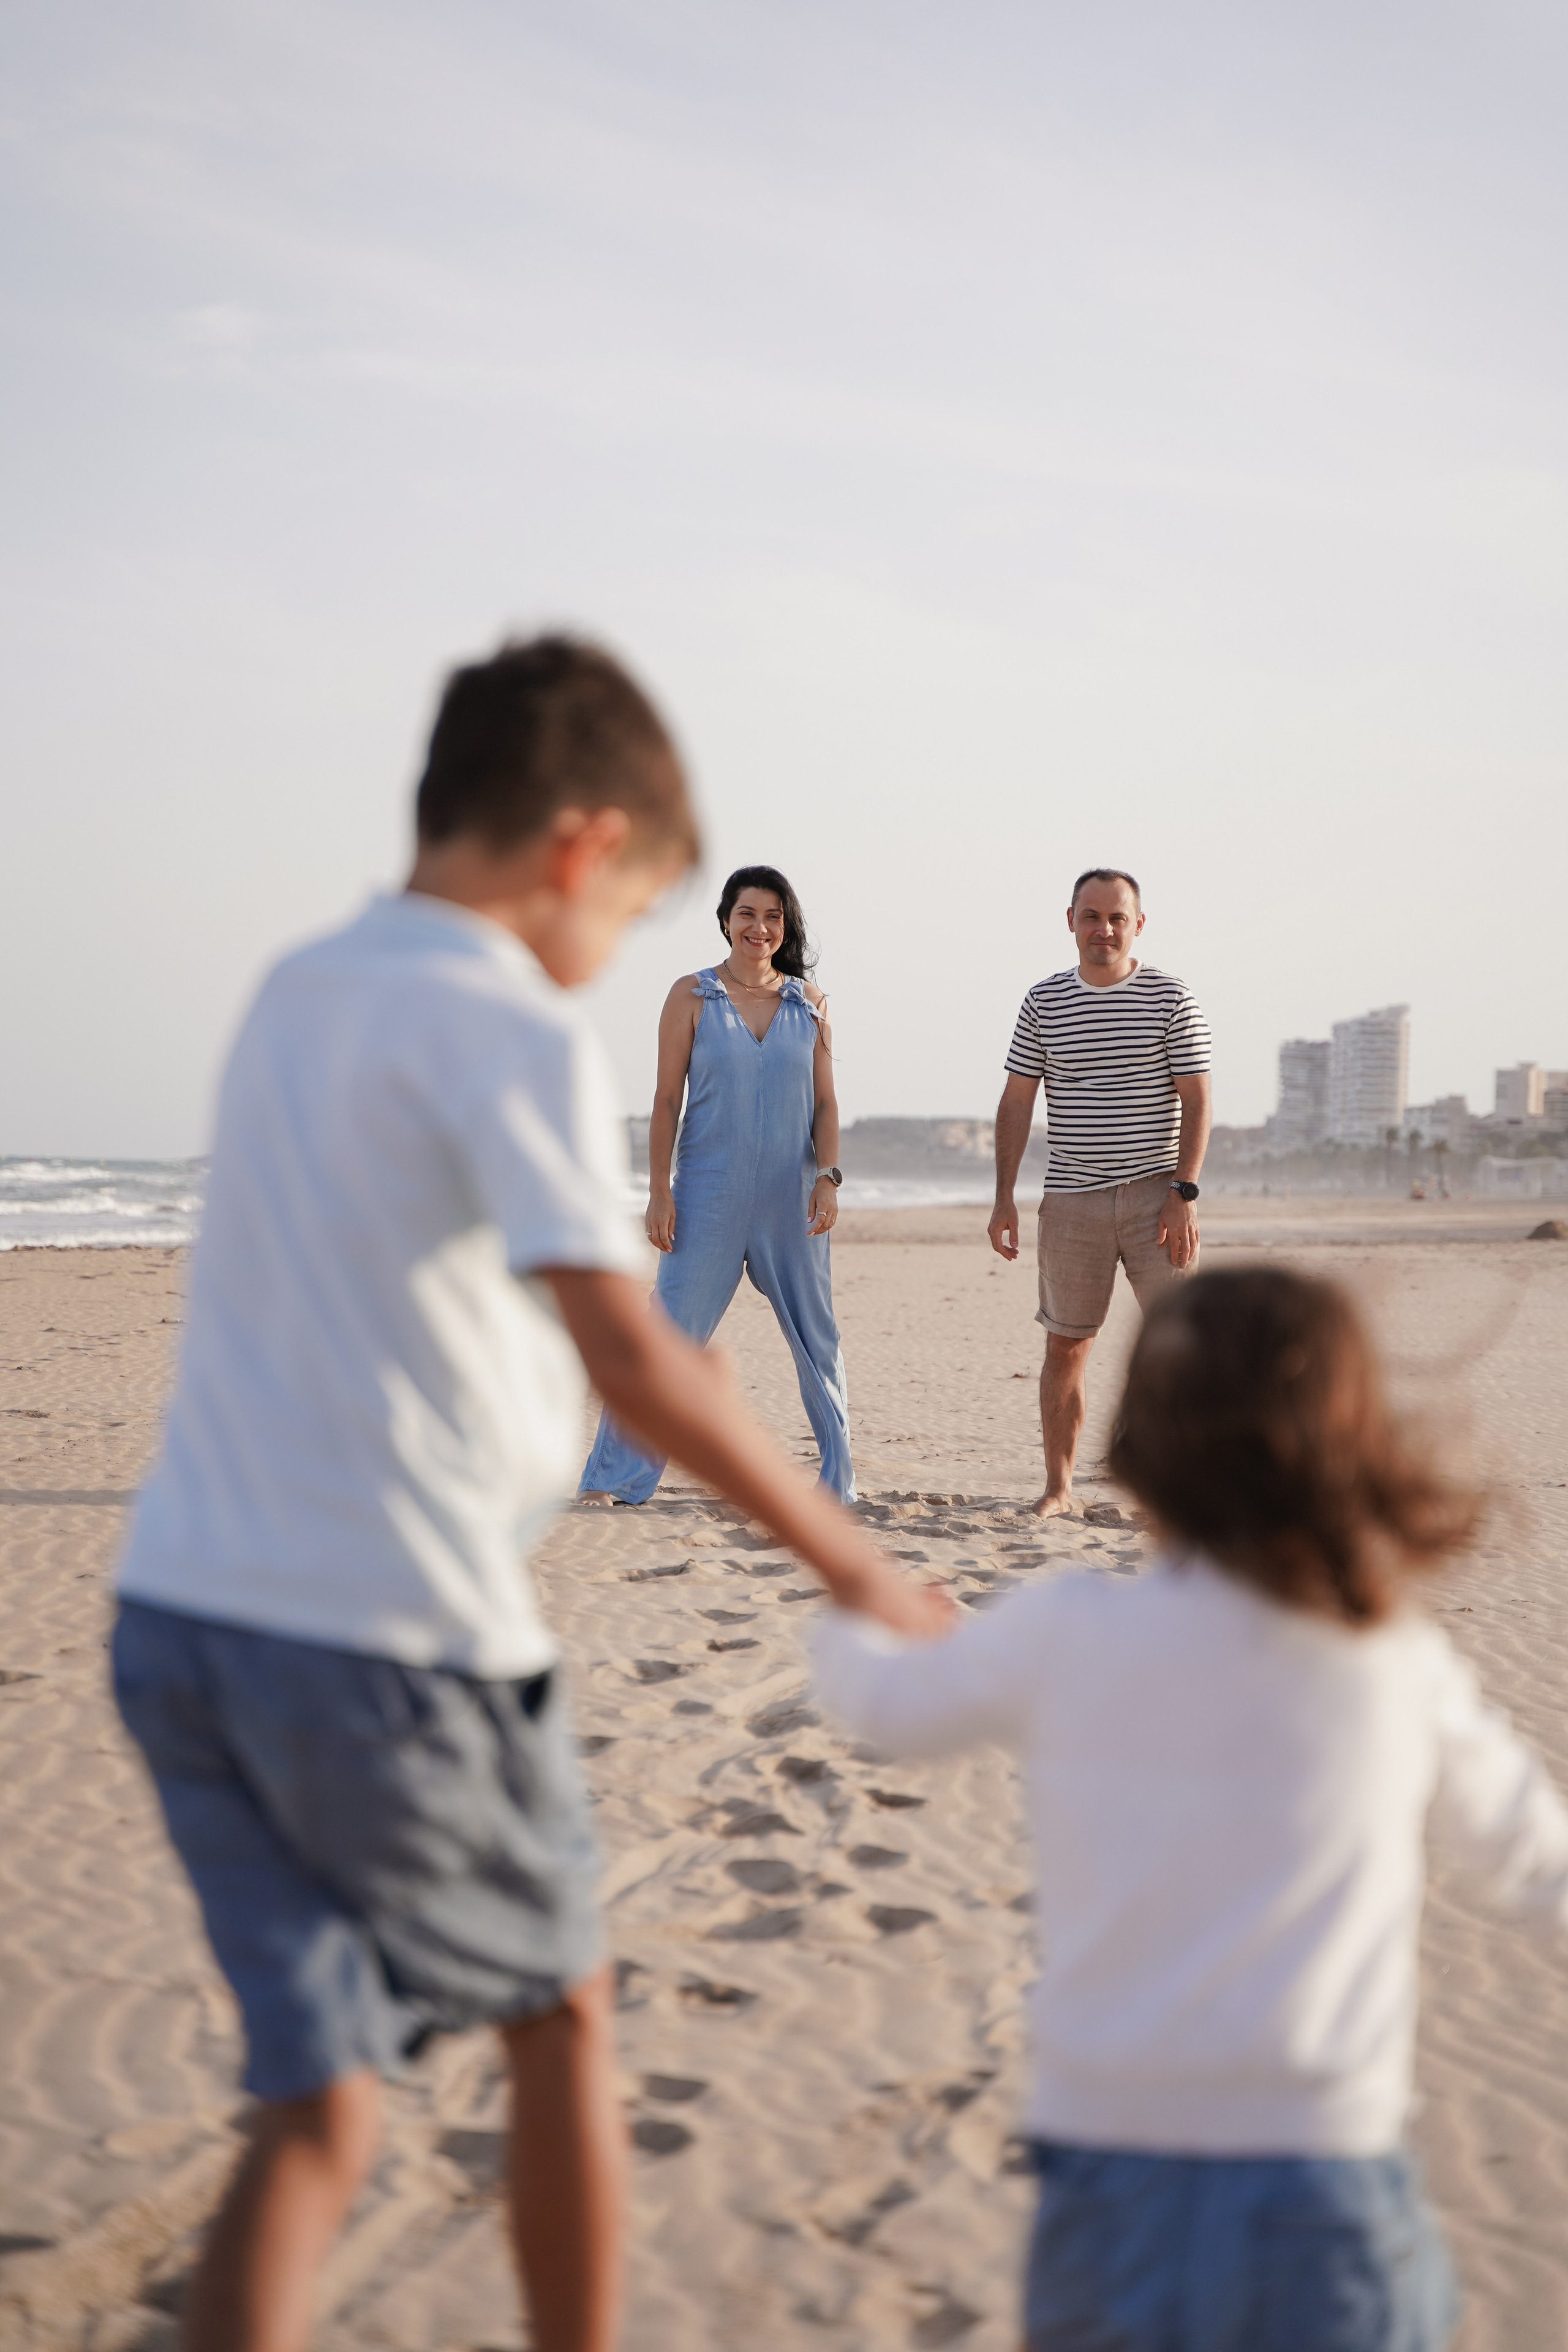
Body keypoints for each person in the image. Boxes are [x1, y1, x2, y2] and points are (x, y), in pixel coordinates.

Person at [110, 639, 944, 2352]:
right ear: (581, 847)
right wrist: (848, 1562)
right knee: (560, 2013)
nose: (621, 945)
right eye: (634, 905)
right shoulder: (503, 1020)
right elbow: (639, 1356)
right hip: (384, 1640)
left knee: (323, 2109)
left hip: (183, 1621)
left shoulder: (297, 984)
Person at [813, 1264, 1568, 2352]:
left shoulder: (1067, 1630)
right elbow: (1532, 1862)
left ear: (1138, 1461)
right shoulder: (1389, 1659)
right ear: (1346, 1455)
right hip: (1323, 2182)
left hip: (1111, 2183)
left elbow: (888, 1710)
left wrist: (859, 1612)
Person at [579, 863, 854, 1506]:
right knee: (666, 1337)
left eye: (773, 917)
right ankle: (616, 1477)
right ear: (726, 921)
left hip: (792, 1196)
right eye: (748, 914)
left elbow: (827, 1106)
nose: (760, 928)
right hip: (706, 1193)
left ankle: (838, 1482)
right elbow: (667, 1099)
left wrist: (829, 1179)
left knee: (818, 1338)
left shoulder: (809, 1004)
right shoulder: (691, 996)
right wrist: (658, 1190)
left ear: (785, 928)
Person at [989, 866, 1212, 1518]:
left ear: (1137, 924)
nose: (1103, 929)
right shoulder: (1044, 1001)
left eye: (1117, 917)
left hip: (1156, 1200)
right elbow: (1016, 1100)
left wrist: (1184, 1192)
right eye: (1091, 916)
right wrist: (1004, 1196)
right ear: (1070, 921)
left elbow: (1197, 1099)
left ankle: (1187, 1491)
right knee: (1066, 1345)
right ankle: (1058, 1489)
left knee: (1180, 1346)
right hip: (1071, 1203)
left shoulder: (1171, 997)